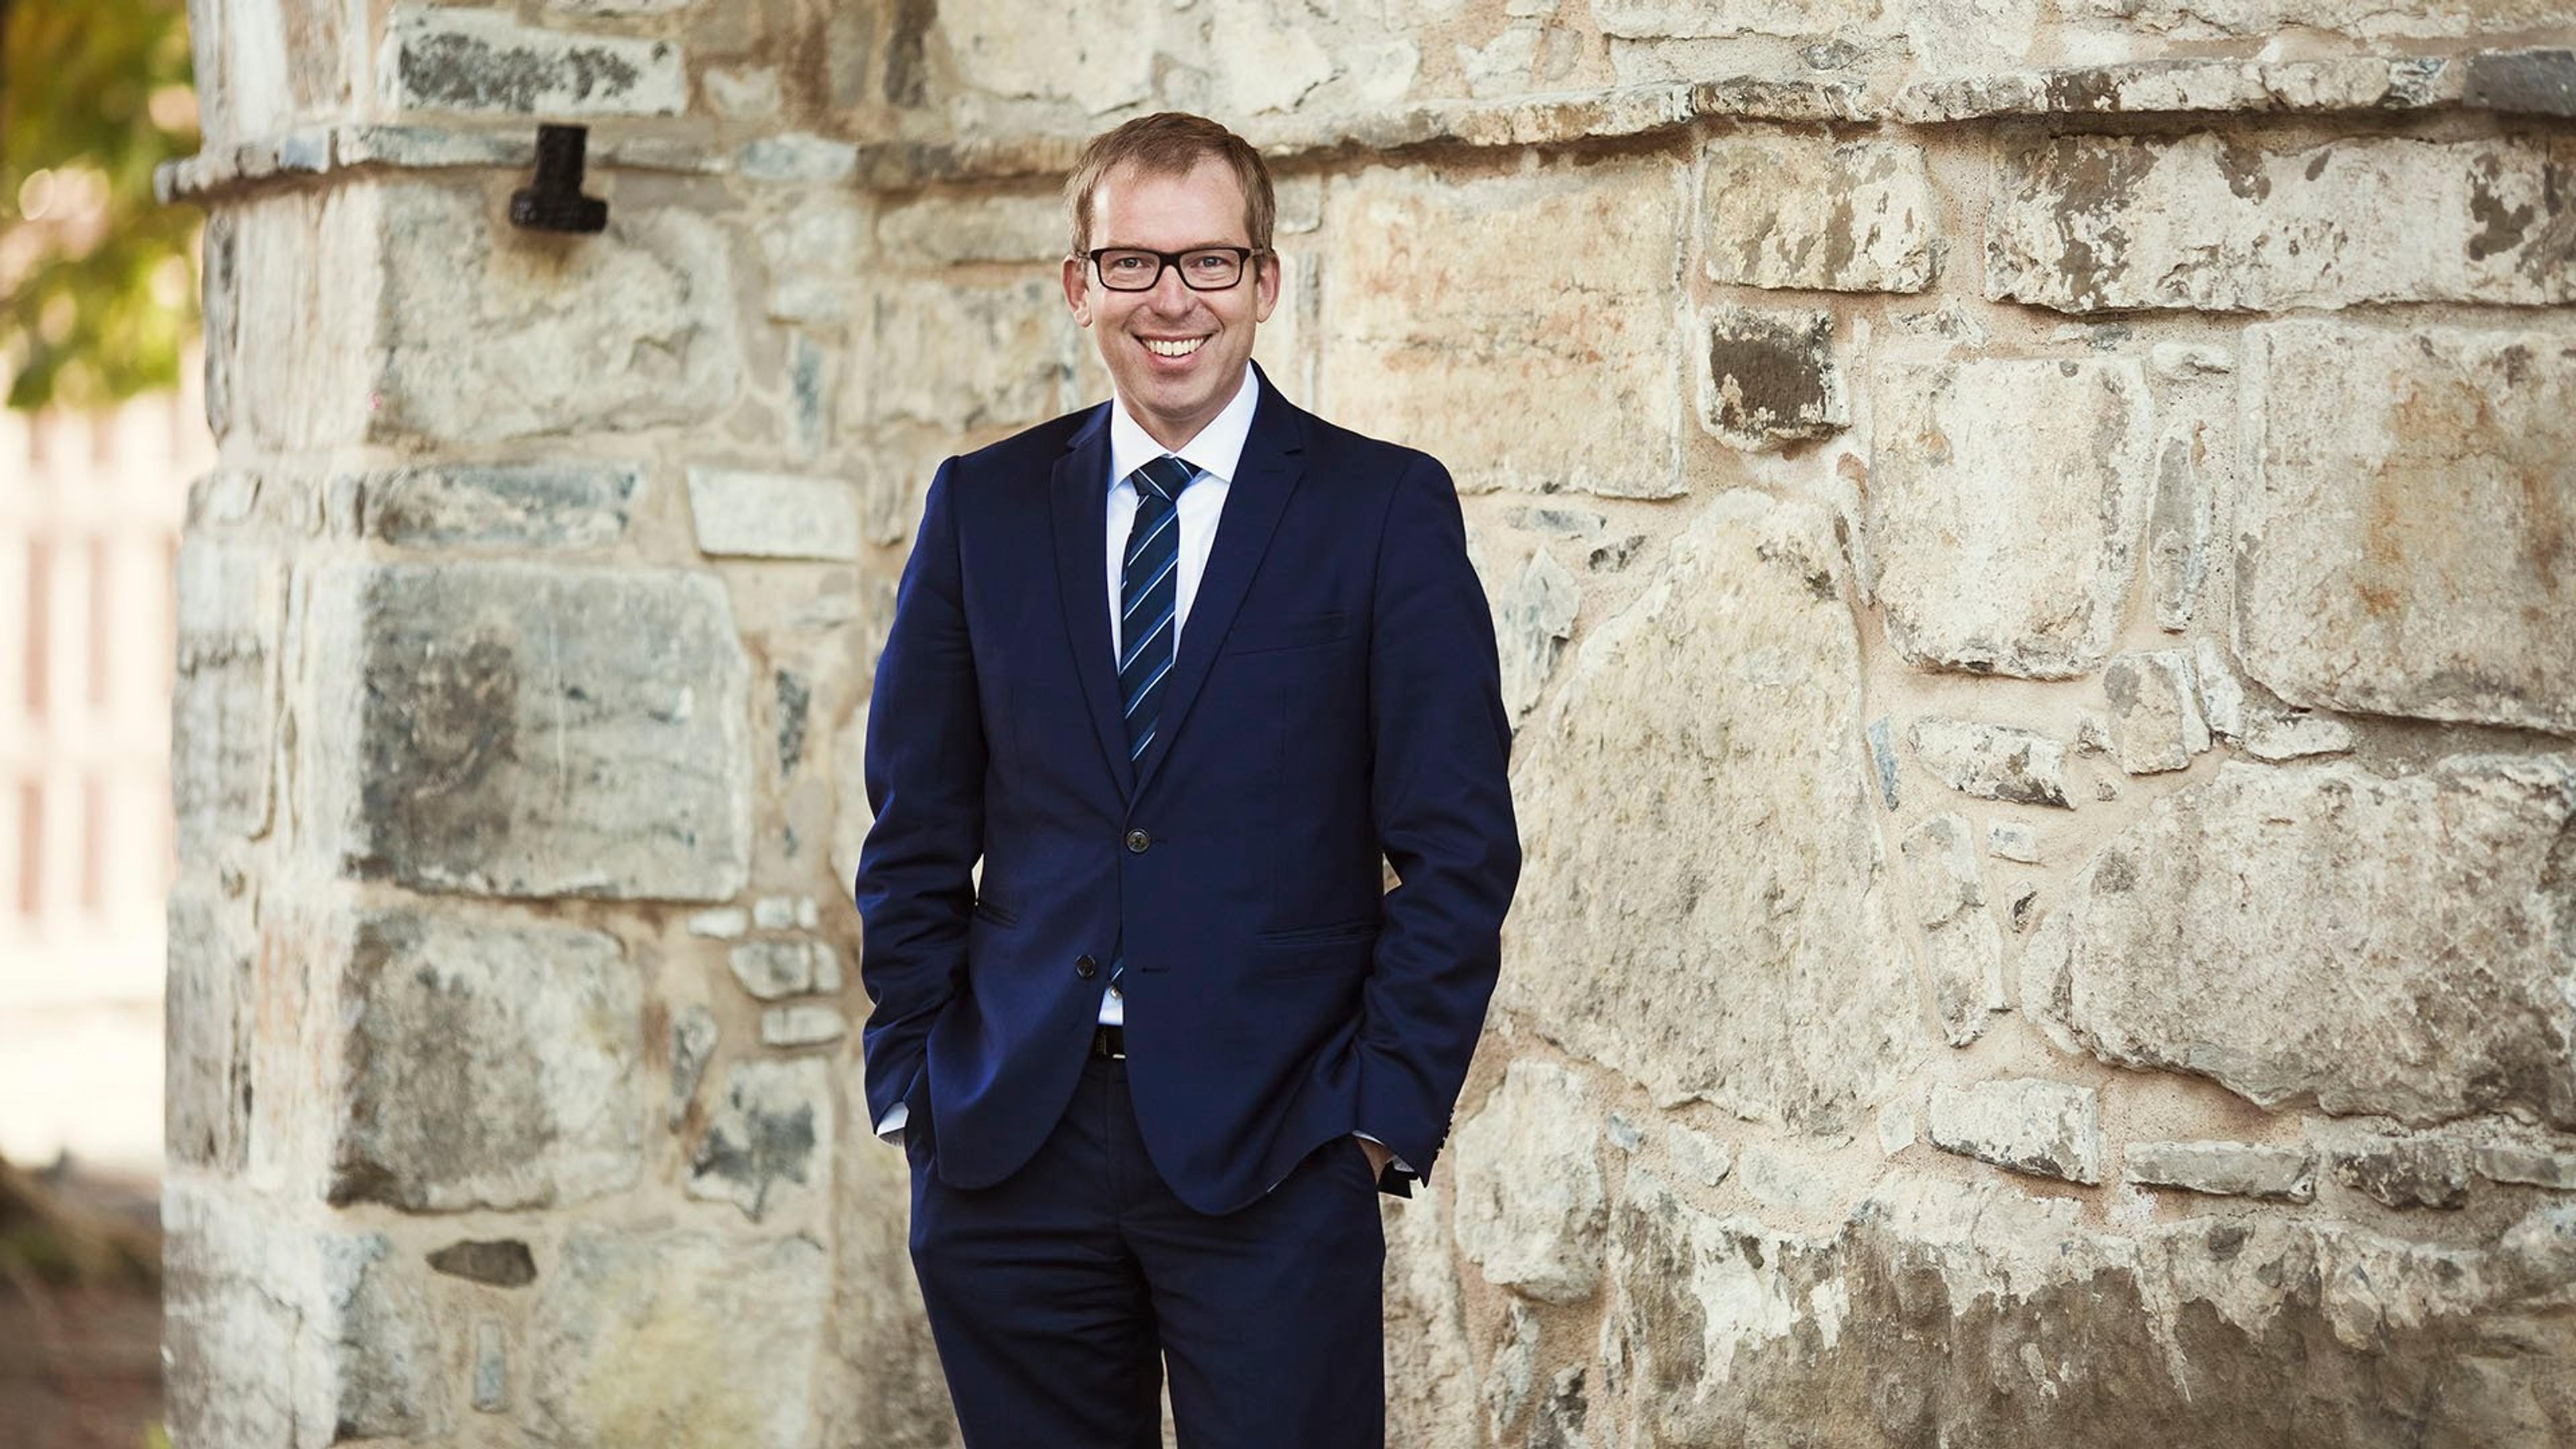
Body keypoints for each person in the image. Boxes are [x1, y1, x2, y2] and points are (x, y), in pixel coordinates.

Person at [853, 110, 1520, 1448]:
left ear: (1265, 282)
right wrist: (915, 1083)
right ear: (1080, 285)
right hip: (1011, 1148)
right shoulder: (983, 507)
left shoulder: (1381, 510)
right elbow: (915, 826)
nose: (1173, 300)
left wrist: (1374, 1121)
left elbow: (1459, 851)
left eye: (1210, 262)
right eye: (1135, 264)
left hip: (1280, 1149)